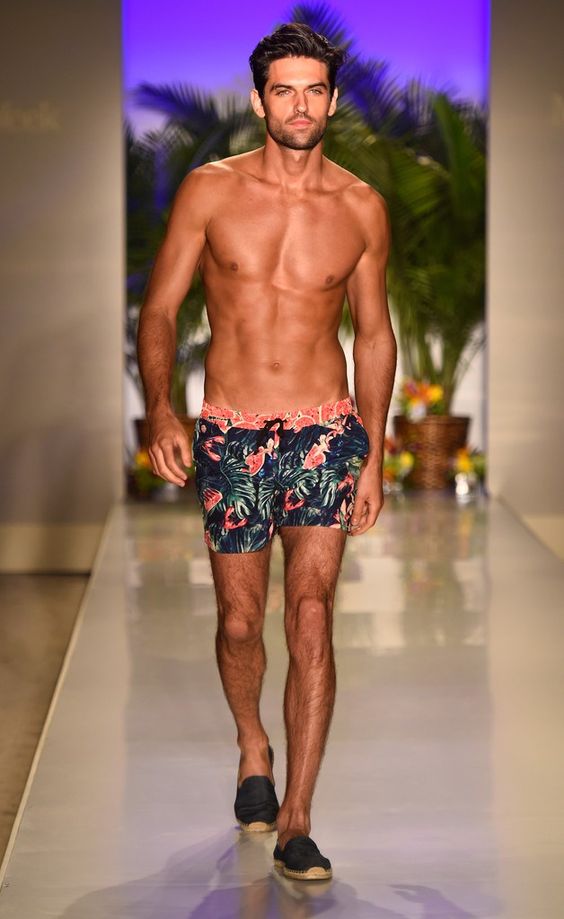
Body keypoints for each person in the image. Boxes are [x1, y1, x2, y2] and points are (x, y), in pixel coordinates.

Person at [137, 22, 397, 881]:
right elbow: (160, 308)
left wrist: (373, 451)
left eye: (314, 90)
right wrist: (162, 411)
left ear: (332, 99)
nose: (300, 105)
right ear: (259, 100)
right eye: (283, 90)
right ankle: (254, 745)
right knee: (241, 621)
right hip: (233, 430)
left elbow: (375, 333)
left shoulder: (360, 207)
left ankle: (297, 819)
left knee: (312, 612)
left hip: (323, 430)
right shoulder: (211, 192)